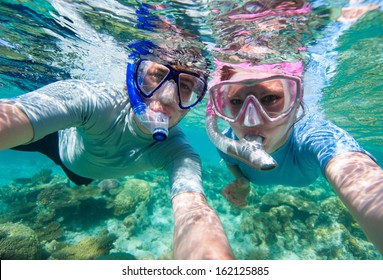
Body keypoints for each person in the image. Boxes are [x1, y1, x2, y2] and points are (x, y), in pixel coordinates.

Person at [0, 33, 235, 260]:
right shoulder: (91, 100)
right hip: (55, 141)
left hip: (82, 175)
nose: (167, 97)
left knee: (81, 179)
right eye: (157, 75)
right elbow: (16, 115)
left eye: (185, 86)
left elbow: (192, 211)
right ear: (134, 76)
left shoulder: (180, 152)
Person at [205, 0, 383, 259]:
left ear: (296, 104)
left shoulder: (314, 136)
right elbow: (229, 159)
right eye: (235, 102)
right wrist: (242, 181)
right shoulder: (226, 140)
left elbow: (358, 175)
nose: (249, 121)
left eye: (270, 99)